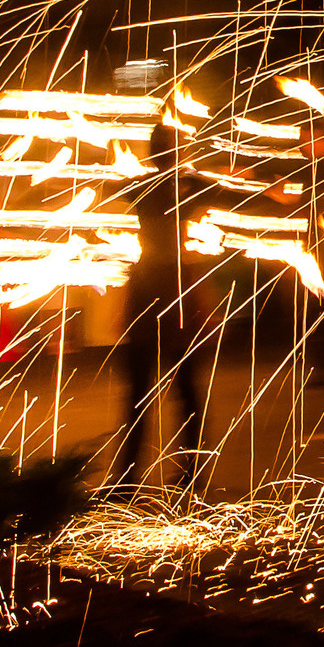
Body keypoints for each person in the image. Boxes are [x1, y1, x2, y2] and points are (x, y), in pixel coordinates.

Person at [108, 109, 214, 496]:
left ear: (152, 153)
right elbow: (229, 190)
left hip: (149, 284)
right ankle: (190, 474)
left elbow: (112, 189)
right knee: (184, 387)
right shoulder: (188, 183)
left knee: (140, 390)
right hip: (177, 286)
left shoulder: (144, 185)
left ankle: (127, 478)